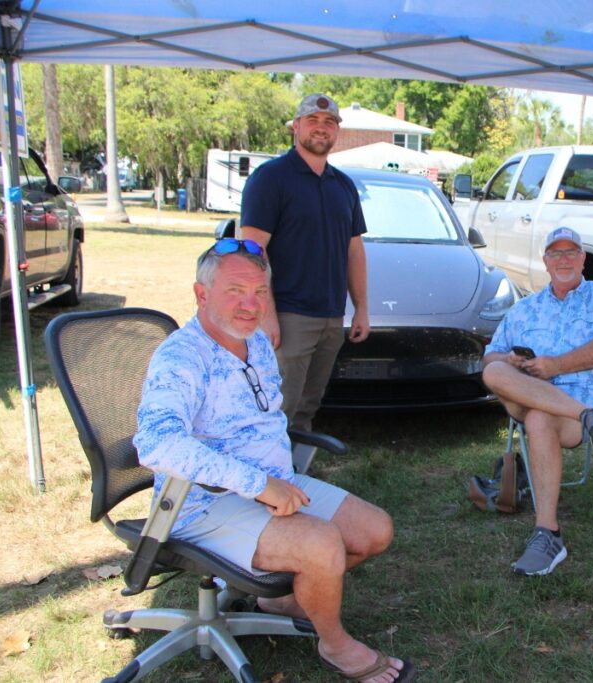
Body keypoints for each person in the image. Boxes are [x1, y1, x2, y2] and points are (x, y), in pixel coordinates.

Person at [134, 239, 415, 683]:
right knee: (323, 544)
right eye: (235, 290)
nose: (251, 304)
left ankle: (279, 601)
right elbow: (155, 443)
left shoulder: (256, 341)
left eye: (260, 292)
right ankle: (335, 643)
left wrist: (270, 483)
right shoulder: (181, 358)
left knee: (374, 531)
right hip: (201, 504)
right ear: (201, 294)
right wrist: (258, 484)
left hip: (273, 485)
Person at [482, 226, 593, 577]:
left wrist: (555, 366)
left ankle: (548, 533)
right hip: (560, 406)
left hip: (565, 412)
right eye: (555, 253)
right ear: (545, 262)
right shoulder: (524, 309)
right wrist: (513, 362)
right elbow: (490, 358)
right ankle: (590, 417)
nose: (563, 259)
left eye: (571, 252)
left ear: (583, 259)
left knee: (537, 418)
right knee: (494, 373)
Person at [240, 92, 369, 432]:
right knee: (278, 408)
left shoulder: (344, 186)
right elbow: (252, 249)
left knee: (308, 407)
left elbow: (354, 251)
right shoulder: (271, 178)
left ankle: (297, 477)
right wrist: (266, 315)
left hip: (331, 316)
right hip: (288, 315)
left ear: (337, 131)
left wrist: (362, 308)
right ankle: (269, 482)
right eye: (312, 120)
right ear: (295, 127)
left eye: (329, 122)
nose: (321, 128)